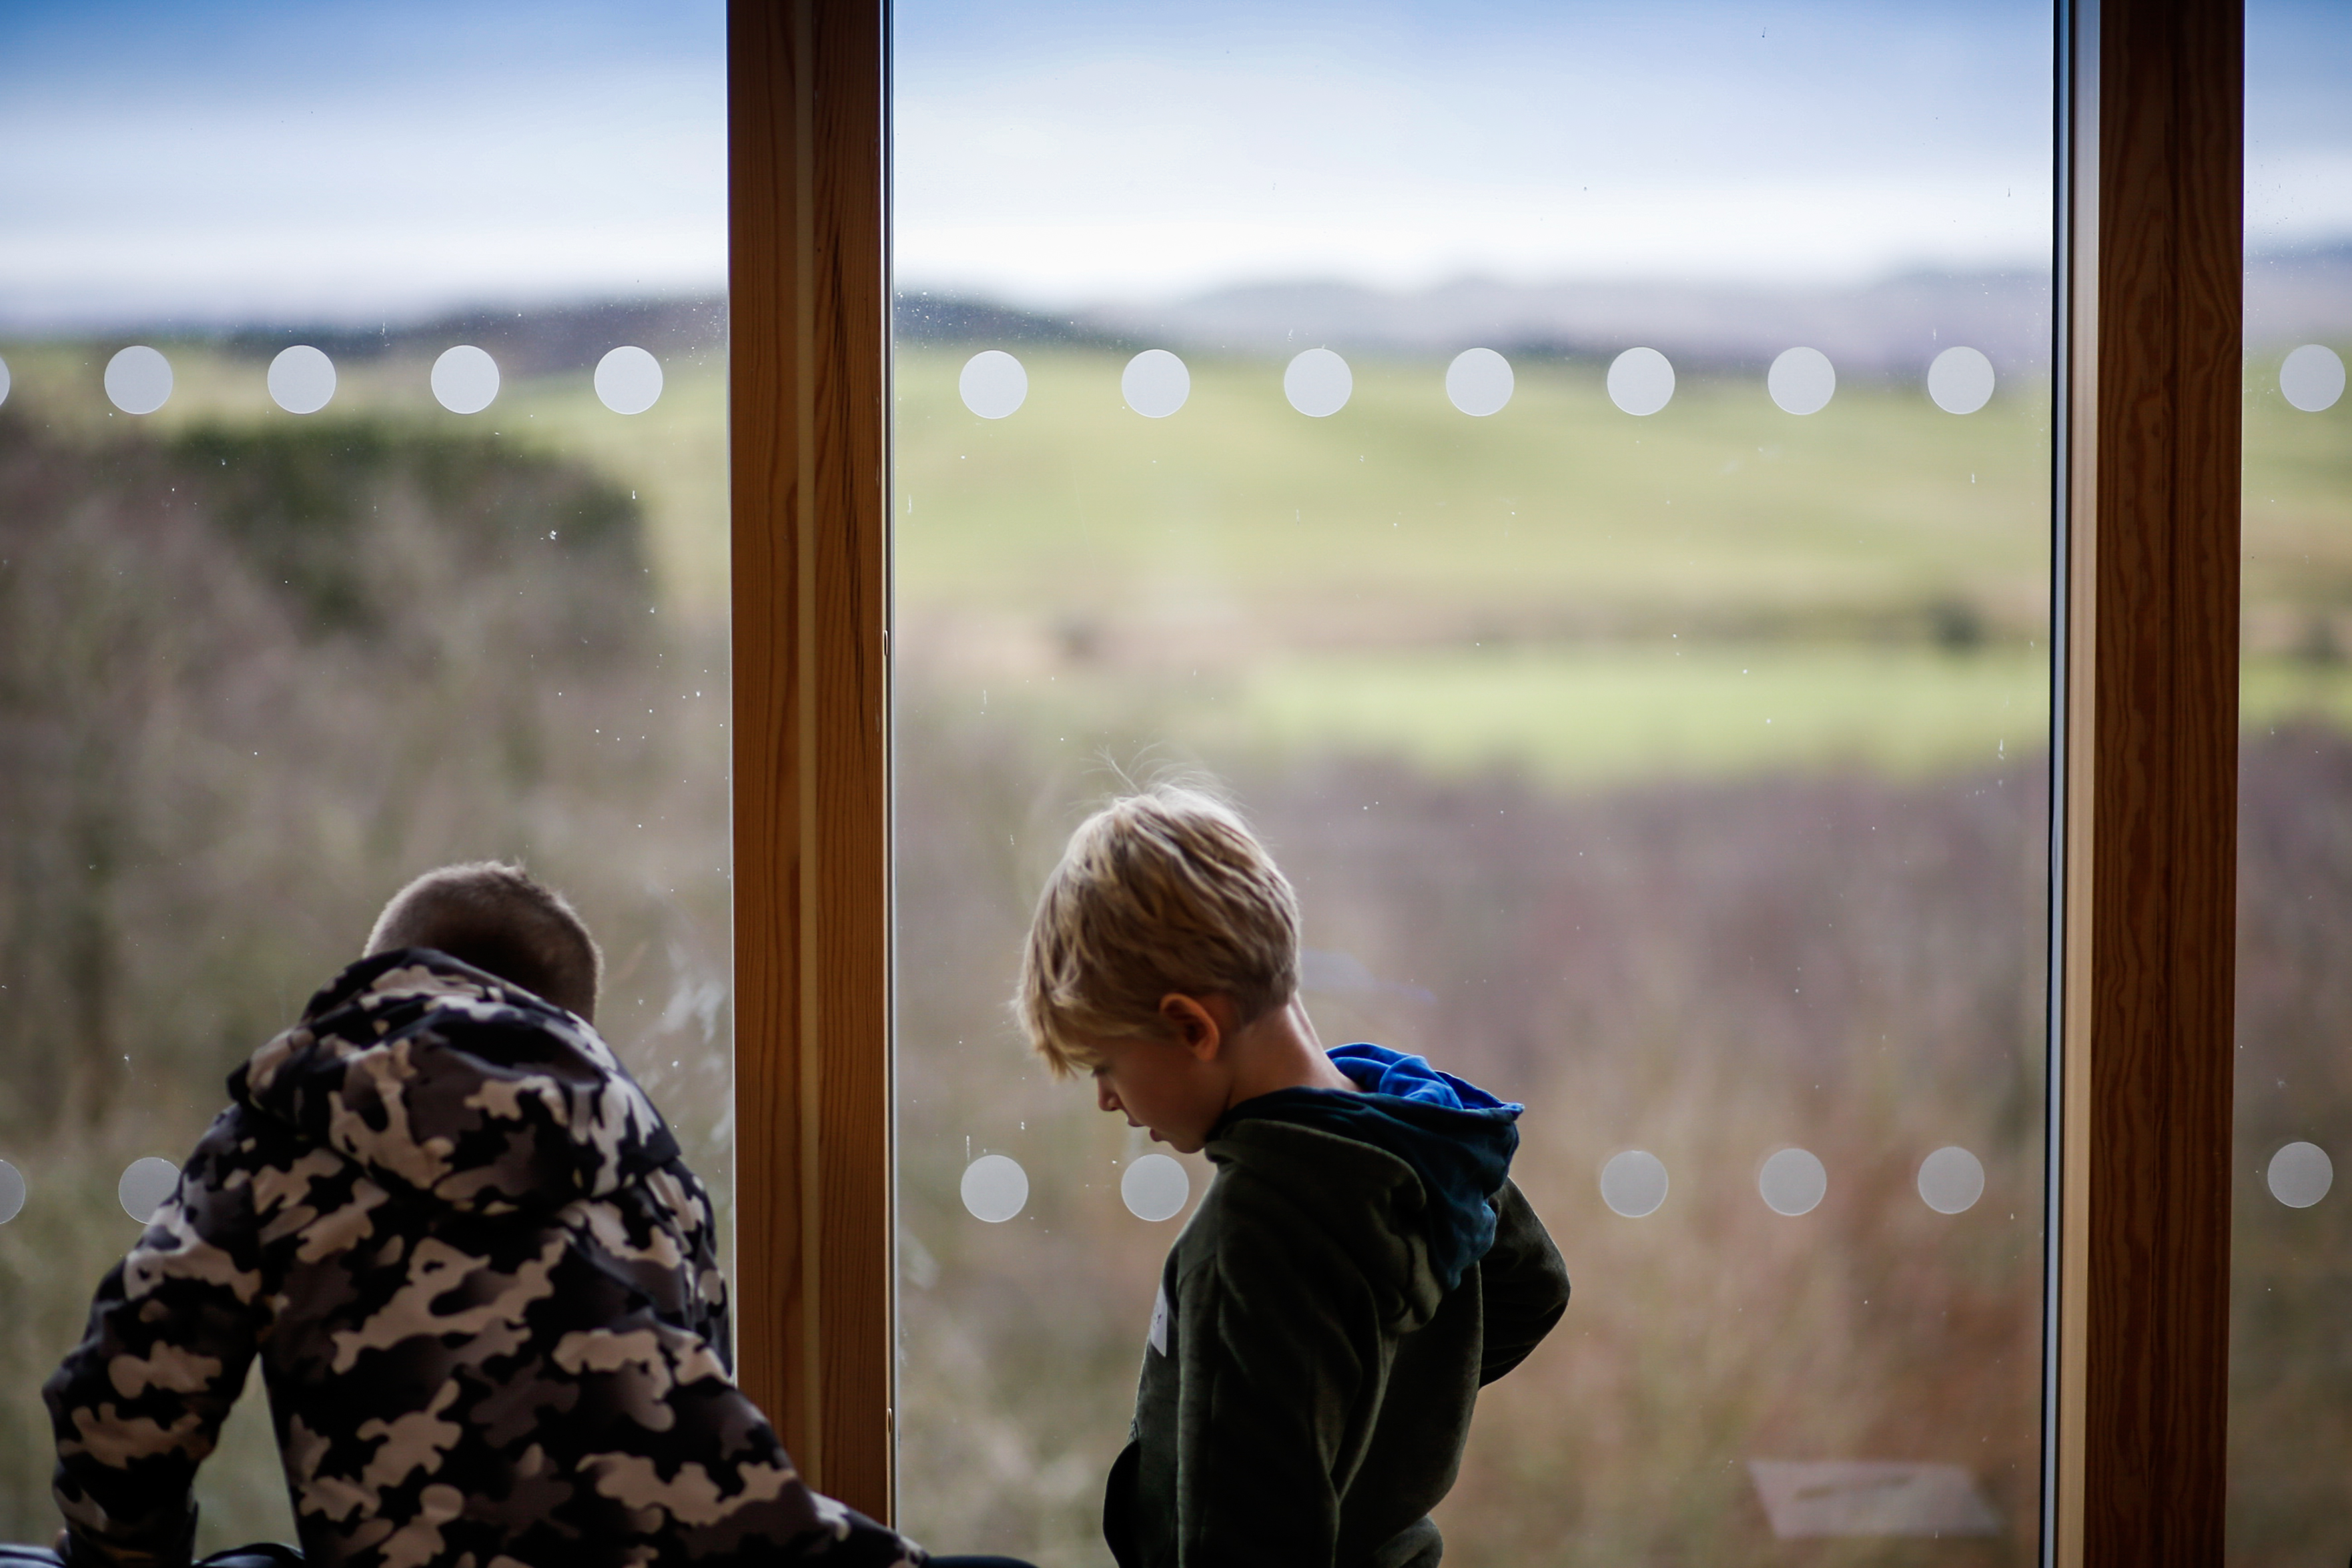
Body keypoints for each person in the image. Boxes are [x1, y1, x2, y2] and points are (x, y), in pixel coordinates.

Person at [41, 862, 1029, 1568]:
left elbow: (120, 1408)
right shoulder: (647, 1164)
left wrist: (125, 1554)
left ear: (382, 980)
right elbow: (704, 1401)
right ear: (572, 1026)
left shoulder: (284, 1132)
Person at [1016, 785, 1571, 1568]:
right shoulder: (1425, 1141)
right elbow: (1533, 1288)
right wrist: (1388, 1425)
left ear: (1191, 1027)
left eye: (1105, 1064)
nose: (1106, 1097)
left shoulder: (1248, 1243)